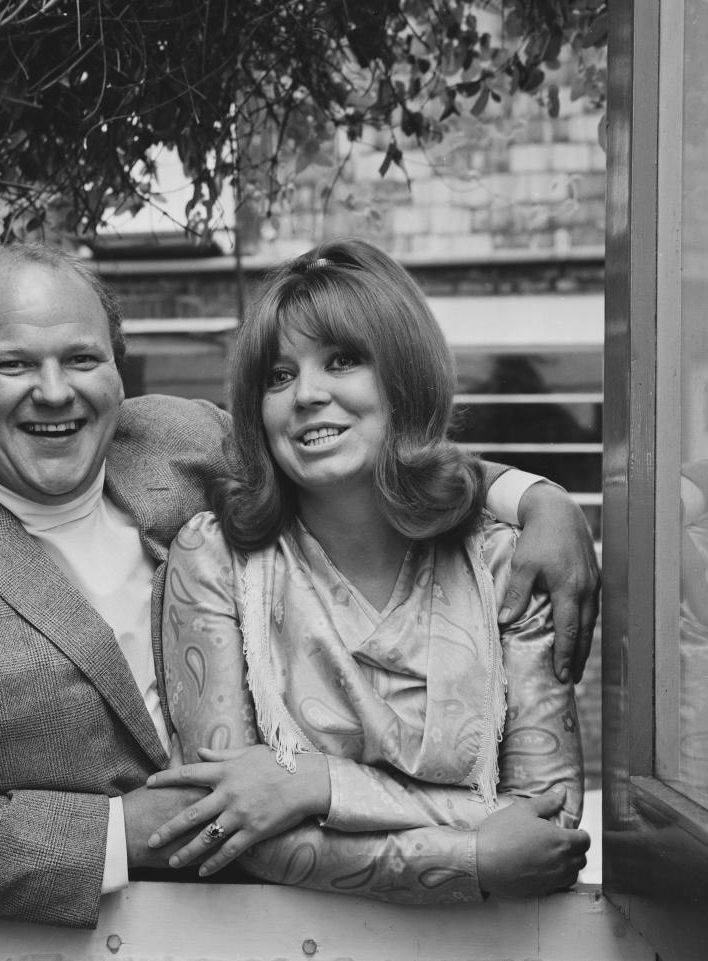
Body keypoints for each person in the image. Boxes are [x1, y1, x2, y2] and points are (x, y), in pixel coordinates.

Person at [0, 242, 596, 927]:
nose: (56, 391)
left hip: (314, 920)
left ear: (118, 365)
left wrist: (534, 497)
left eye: (82, 358)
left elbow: (357, 458)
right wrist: (111, 834)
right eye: (12, 364)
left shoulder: (179, 441)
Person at [149, 239, 590, 903]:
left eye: (342, 360)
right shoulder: (214, 557)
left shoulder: (505, 562)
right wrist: (471, 856)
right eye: (278, 375)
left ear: (402, 376)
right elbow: (230, 825)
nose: (307, 394)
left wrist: (314, 784)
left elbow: (545, 824)